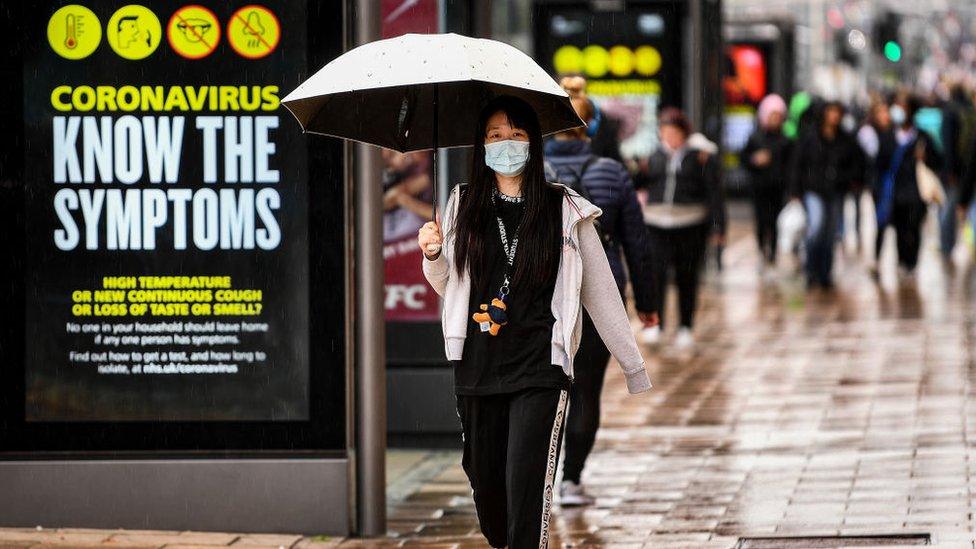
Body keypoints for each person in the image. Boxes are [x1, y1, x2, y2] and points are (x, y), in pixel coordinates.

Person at [417, 95, 651, 548]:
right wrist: (433, 255)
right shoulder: (462, 203)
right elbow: (451, 287)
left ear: (534, 143)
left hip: (541, 368)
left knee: (525, 491)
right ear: (481, 146)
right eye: (496, 136)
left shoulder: (565, 208)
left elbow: (599, 291)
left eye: (517, 135)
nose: (507, 144)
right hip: (477, 368)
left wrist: (632, 365)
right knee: (489, 497)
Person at [543, 95, 657, 507]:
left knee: (546, 390)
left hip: (545, 296)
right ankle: (571, 481)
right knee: (587, 389)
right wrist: (647, 301)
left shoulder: (531, 173)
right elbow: (637, 242)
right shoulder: (612, 172)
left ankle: (540, 479)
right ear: (590, 127)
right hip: (599, 293)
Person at [635, 108, 725, 350]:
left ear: (684, 133)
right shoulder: (653, 157)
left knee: (687, 277)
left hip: (690, 225)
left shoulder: (700, 157)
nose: (670, 137)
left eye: (674, 132)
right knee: (656, 277)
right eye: (665, 132)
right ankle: (656, 324)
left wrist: (719, 226)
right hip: (656, 224)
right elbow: (637, 183)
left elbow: (714, 193)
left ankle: (685, 326)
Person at [789, 101, 862, 288]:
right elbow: (798, 163)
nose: (834, 116)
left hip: (836, 191)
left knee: (830, 234)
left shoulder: (846, 139)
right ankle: (810, 269)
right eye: (831, 112)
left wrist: (849, 180)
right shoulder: (811, 137)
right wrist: (796, 190)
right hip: (814, 190)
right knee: (815, 227)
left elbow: (858, 163)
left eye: (837, 112)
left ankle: (825, 272)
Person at [873, 95, 943, 276]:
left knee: (913, 228)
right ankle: (902, 261)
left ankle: (911, 262)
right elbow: (879, 165)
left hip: (917, 192)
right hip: (895, 192)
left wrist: (925, 157)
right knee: (899, 228)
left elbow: (938, 160)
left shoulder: (922, 137)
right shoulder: (888, 136)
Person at [741, 94, 791, 266]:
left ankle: (773, 253)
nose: (775, 119)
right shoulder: (755, 137)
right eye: (772, 115)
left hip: (778, 187)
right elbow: (744, 159)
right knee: (761, 220)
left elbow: (791, 164)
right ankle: (763, 249)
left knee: (775, 221)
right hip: (759, 186)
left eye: (778, 116)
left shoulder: (786, 140)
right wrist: (755, 160)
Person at [939, 83, 976, 257]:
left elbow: (948, 145)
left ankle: (947, 246)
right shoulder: (969, 111)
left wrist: (950, 170)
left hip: (959, 171)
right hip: (966, 171)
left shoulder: (950, 111)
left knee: (950, 207)